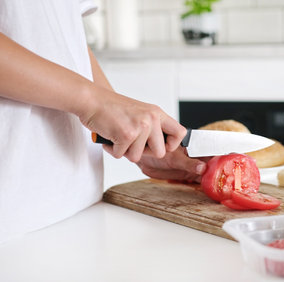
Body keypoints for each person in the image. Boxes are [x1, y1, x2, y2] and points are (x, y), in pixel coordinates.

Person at [0, 0, 206, 243]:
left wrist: (128, 131)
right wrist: (95, 104)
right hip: (11, 217)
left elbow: (64, 36)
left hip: (80, 204)